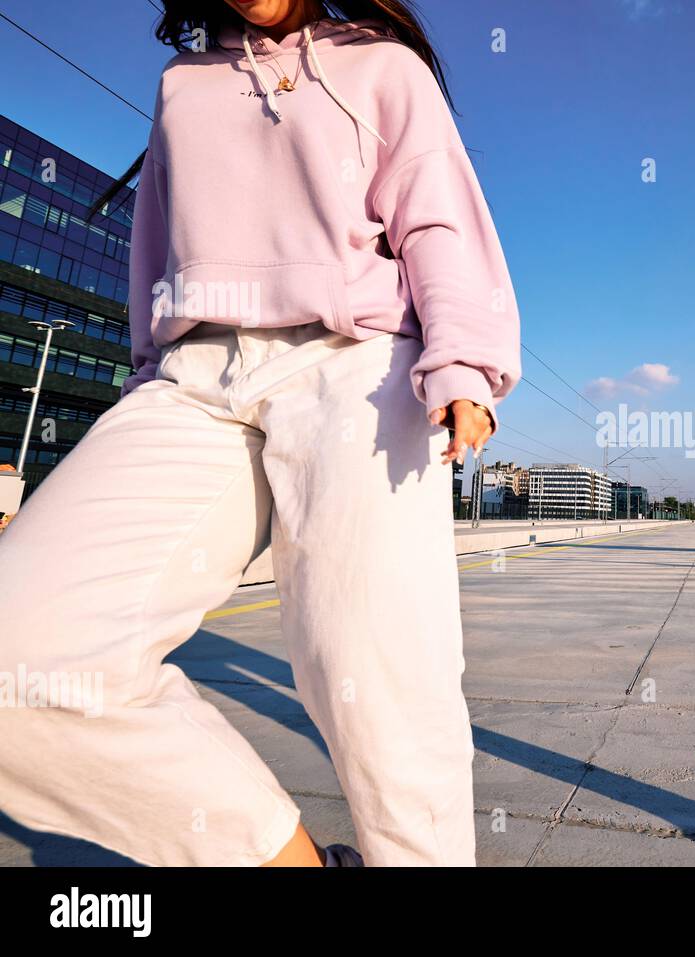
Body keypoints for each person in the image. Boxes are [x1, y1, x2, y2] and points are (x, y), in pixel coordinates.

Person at [0, 0, 519, 866]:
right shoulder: (183, 87)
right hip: (193, 376)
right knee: (20, 655)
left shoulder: (382, 67)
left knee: (377, 681)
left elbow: (437, 221)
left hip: (359, 362)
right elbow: (154, 256)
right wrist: (139, 387)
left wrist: (463, 363)